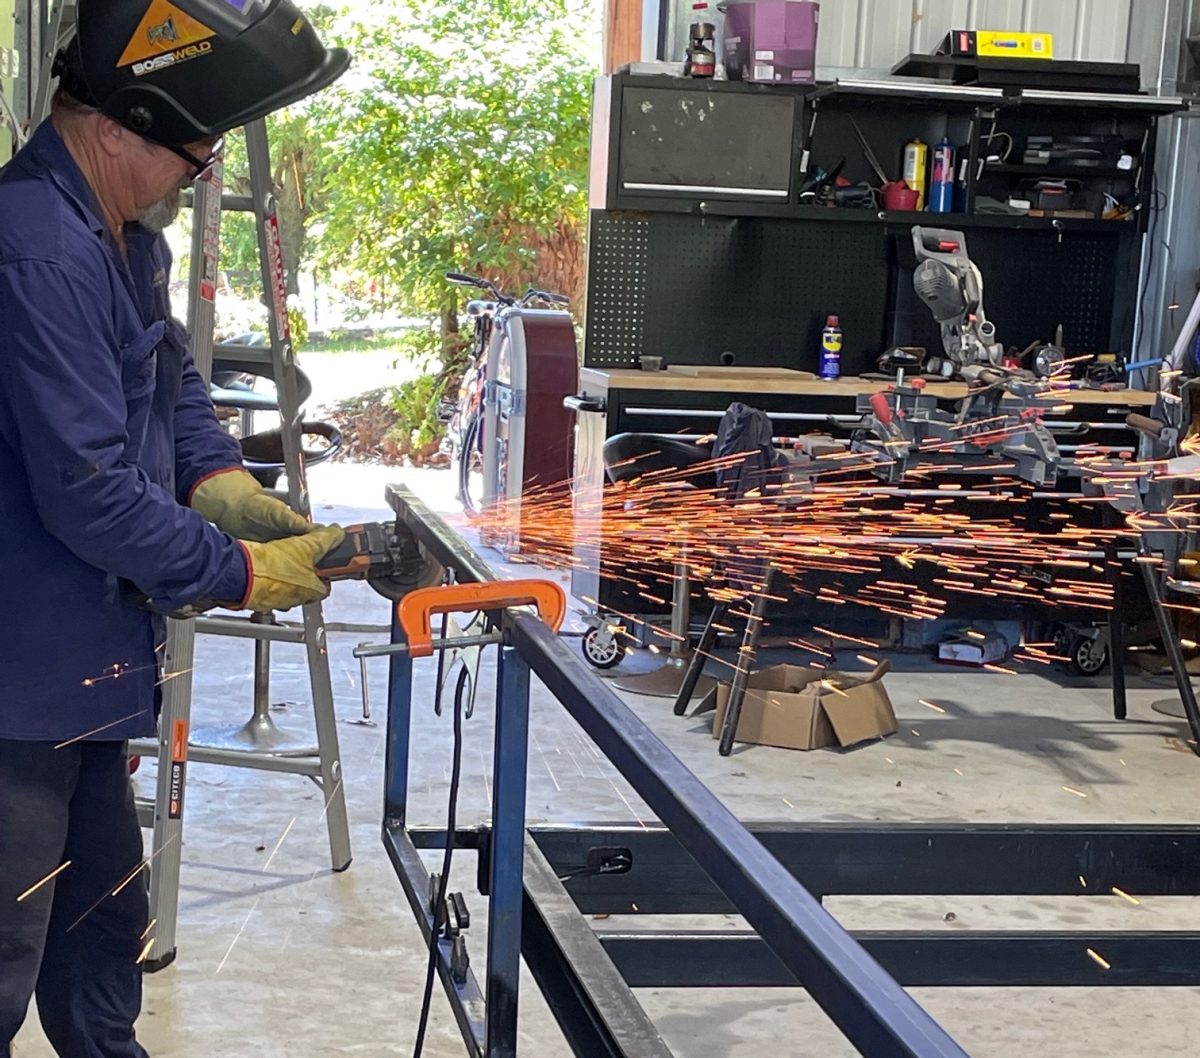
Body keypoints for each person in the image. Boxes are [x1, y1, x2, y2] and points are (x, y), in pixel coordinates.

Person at [0, 3, 351, 1055]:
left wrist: (218, 479)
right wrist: (236, 567)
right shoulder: (37, 251)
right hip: (16, 680)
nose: (194, 177)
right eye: (190, 159)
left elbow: (170, 377)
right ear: (118, 124)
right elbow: (90, 494)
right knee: (5, 942)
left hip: (82, 665)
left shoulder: (119, 239)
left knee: (105, 918)